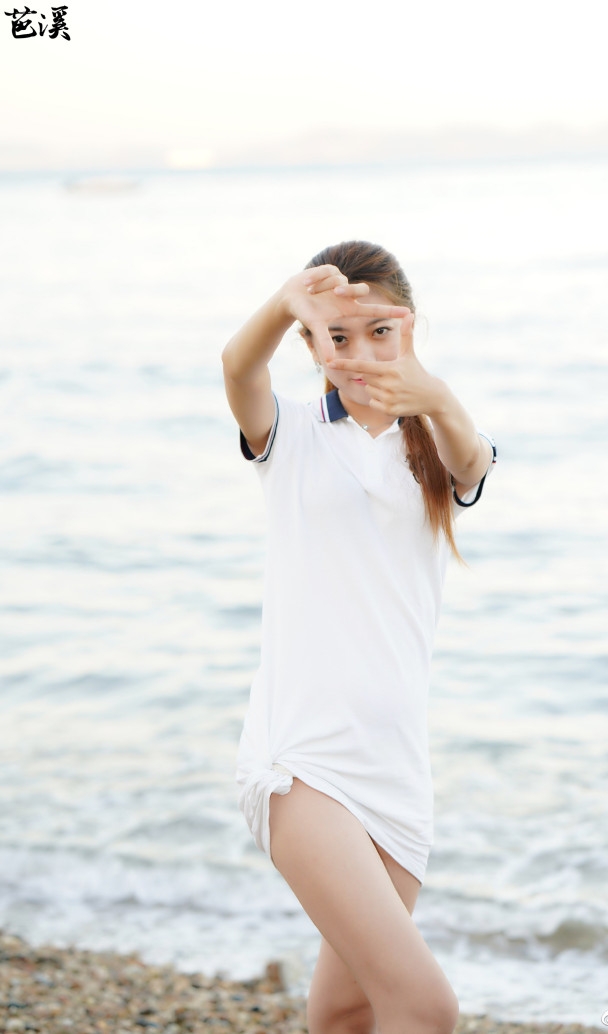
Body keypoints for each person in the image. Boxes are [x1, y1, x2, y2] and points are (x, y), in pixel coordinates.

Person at [221, 241, 496, 1034]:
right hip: (301, 761)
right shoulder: (293, 435)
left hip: (396, 770)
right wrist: (282, 304)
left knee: (345, 1011)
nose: (361, 353)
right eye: (336, 337)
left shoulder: (436, 442)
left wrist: (433, 395)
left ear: (409, 328)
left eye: (380, 331)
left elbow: (473, 460)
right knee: (426, 1007)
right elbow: (239, 371)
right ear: (310, 347)